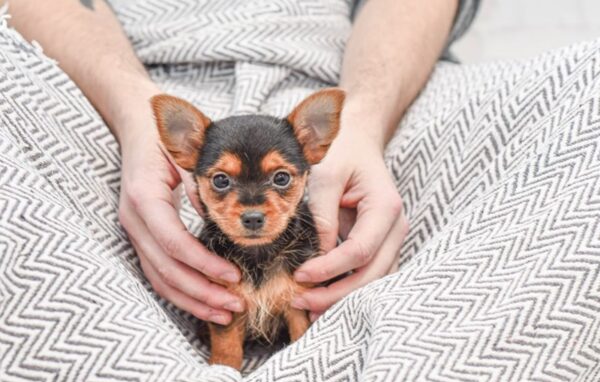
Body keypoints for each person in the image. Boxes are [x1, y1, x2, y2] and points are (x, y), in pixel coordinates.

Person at [6, 0, 473, 325]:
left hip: (360, 77)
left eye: (283, 178)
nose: (251, 208)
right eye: (224, 181)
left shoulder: (330, 122)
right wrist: (130, 106)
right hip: (112, 81)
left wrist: (366, 114)